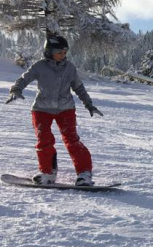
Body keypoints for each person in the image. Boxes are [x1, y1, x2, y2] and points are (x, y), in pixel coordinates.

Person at [5, 35, 103, 186]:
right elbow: (24, 78)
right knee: (43, 140)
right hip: (41, 109)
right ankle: (48, 172)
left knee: (71, 139)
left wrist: (89, 104)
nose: (63, 55)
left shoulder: (69, 67)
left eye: (65, 52)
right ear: (49, 51)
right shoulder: (39, 66)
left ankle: (84, 173)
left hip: (65, 108)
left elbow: (79, 87)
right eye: (60, 52)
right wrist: (16, 89)